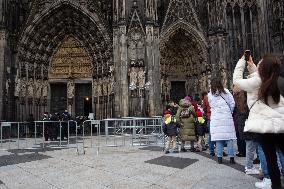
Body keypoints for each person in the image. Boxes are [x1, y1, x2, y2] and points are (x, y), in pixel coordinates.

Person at [233, 53, 284, 189]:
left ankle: (275, 185)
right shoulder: (279, 80)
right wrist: (252, 66)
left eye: (260, 64)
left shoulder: (256, 82)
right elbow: (260, 76)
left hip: (264, 126)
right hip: (281, 124)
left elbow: (237, 80)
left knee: (271, 160)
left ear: (263, 69)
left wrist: (242, 62)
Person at [208, 77, 236, 164]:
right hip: (226, 117)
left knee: (218, 139)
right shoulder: (226, 92)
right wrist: (229, 112)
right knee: (229, 138)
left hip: (216, 118)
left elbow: (211, 105)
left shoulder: (210, 95)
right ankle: (231, 158)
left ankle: (219, 158)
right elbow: (232, 103)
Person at [233, 88, 260, 175]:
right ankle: (249, 167)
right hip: (249, 127)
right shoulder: (248, 103)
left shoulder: (239, 101)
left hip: (243, 127)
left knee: (249, 147)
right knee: (250, 148)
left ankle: (249, 166)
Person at [202, 91, 216, 156]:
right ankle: (220, 150)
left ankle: (211, 150)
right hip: (218, 116)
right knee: (219, 133)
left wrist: (207, 113)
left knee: (211, 134)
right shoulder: (220, 95)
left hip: (210, 117)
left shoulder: (206, 97)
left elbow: (204, 108)